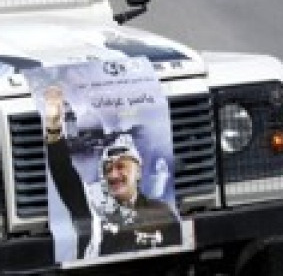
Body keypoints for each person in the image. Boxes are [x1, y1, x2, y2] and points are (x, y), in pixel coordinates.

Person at [42, 85, 182, 259]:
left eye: (121, 166)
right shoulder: (90, 207)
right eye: (108, 168)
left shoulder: (162, 212)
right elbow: (63, 172)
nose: (114, 175)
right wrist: (54, 128)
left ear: (138, 171)